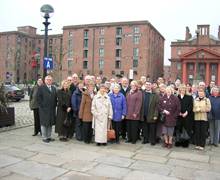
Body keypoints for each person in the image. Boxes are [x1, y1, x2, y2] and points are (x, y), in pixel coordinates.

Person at [37, 75, 57, 143]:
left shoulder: (54, 88)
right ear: (45, 81)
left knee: (50, 123)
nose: (49, 81)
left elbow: (55, 99)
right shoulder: (41, 88)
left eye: (50, 80)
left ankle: (49, 136)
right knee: (44, 123)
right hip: (44, 110)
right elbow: (38, 99)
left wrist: (55, 106)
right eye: (47, 79)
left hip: (52, 109)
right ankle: (44, 137)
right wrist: (42, 106)